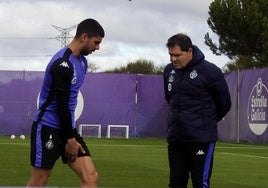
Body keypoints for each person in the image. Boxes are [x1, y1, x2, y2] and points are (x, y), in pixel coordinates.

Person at [26, 18, 105, 188]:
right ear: (84, 36)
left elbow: (69, 103)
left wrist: (70, 135)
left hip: (67, 129)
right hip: (47, 127)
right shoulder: (62, 64)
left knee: (91, 177)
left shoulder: (82, 62)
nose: (97, 48)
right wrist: (70, 139)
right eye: (96, 42)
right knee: (39, 182)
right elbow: (61, 105)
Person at [163, 33, 231, 188]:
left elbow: (224, 104)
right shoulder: (169, 71)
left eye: (177, 55)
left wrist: (204, 122)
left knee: (200, 183)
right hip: (176, 139)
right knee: (176, 183)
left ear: (189, 52)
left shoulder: (211, 71)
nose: (173, 59)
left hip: (201, 139)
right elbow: (170, 99)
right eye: (170, 55)